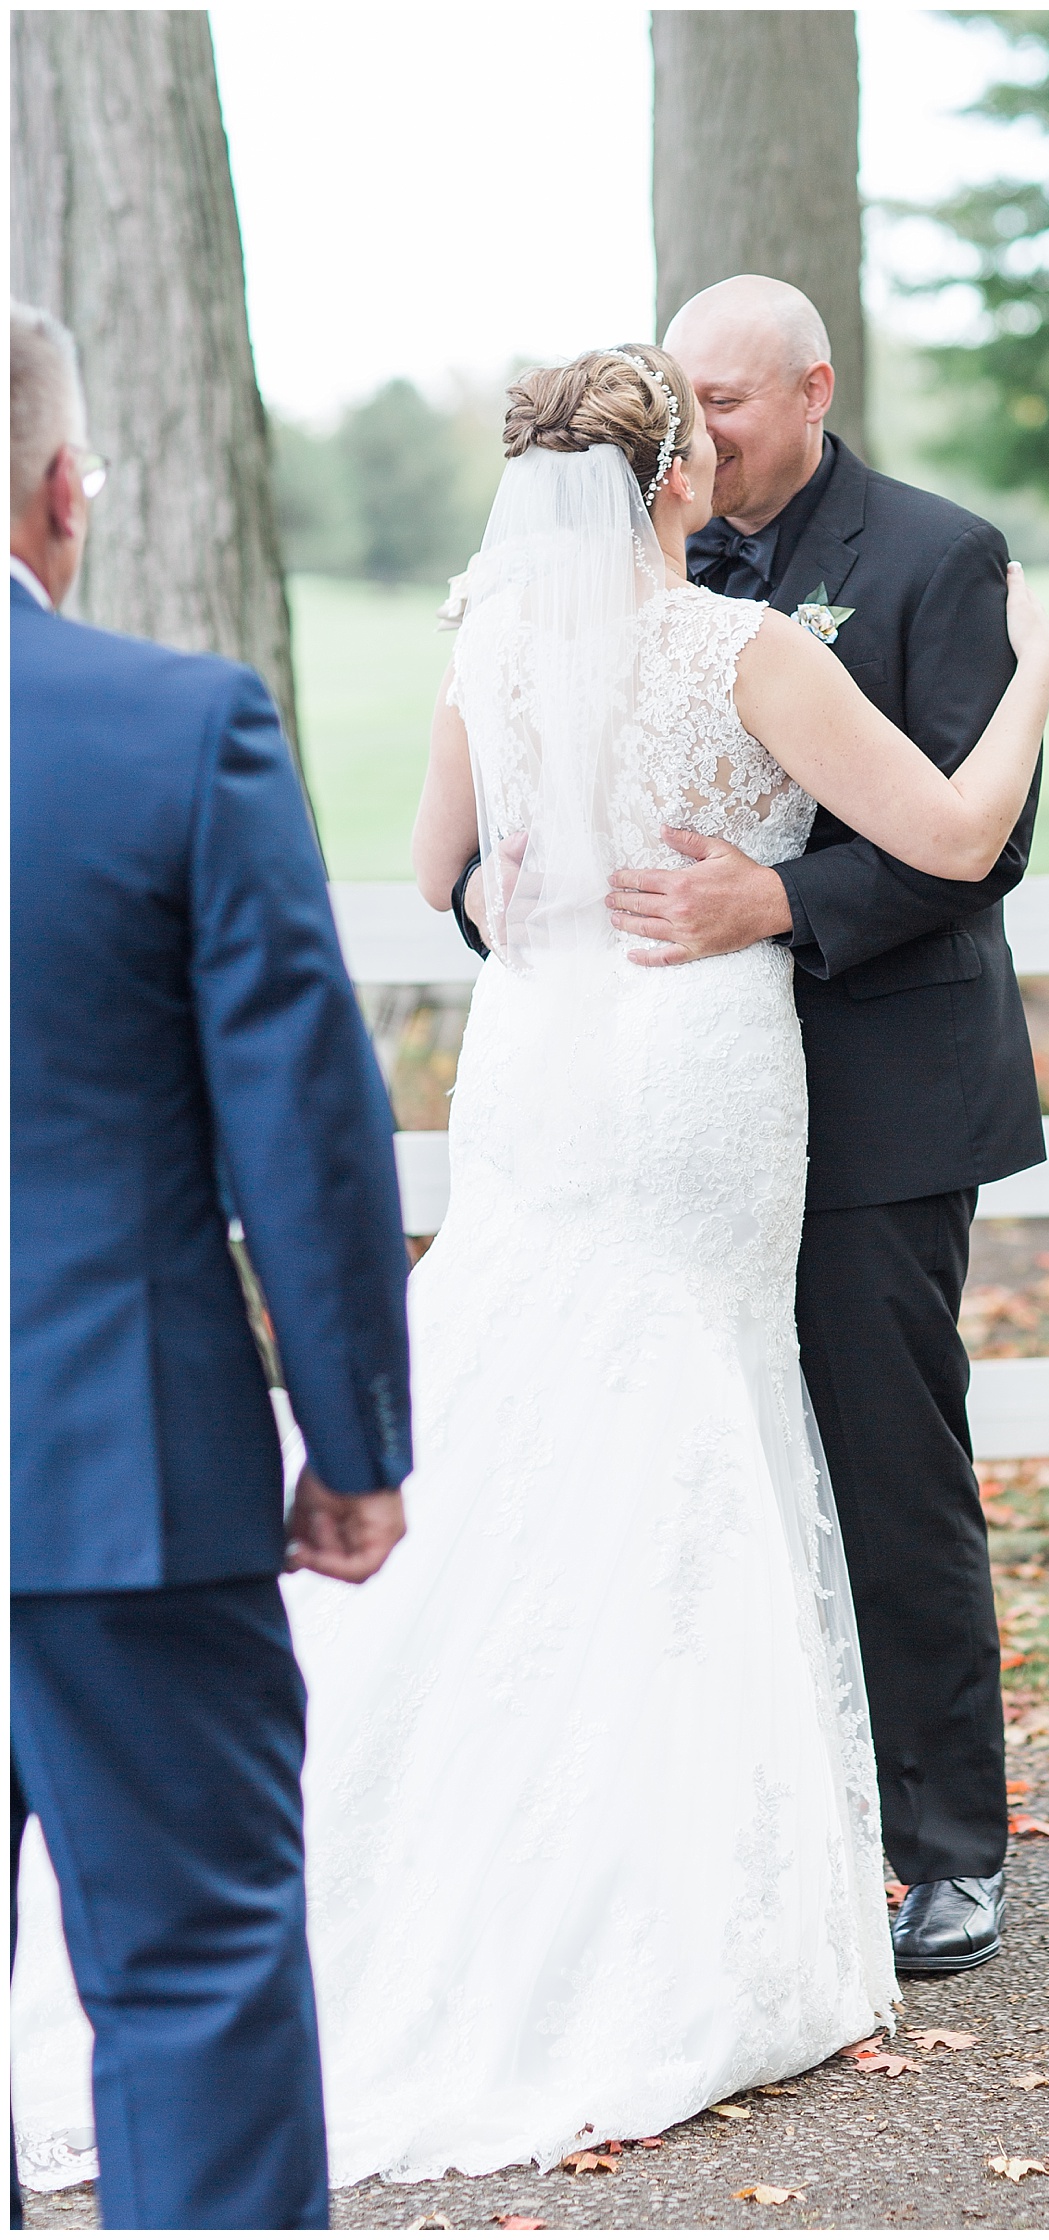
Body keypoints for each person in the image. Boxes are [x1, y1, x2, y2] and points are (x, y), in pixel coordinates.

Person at [16, 343, 1049, 2192]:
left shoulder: (487, 644)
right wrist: (1034, 672)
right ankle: (653, 1897)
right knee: (681, 1412)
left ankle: (436, 1822)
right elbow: (959, 833)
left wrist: (548, 901)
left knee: (533, 1390)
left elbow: (442, 872)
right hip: (687, 1070)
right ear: (672, 482)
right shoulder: (750, 652)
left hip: (543, 1069)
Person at [9, 299, 413, 2230]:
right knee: (188, 1978)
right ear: (61, 489)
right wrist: (355, 1439)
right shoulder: (175, 731)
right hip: (112, 1476)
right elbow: (301, 1122)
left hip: (112, 1482)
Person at [601, 276, 1046, 1975]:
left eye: (727, 402)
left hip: (880, 1092)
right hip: (690, 1103)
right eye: (680, 405)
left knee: (888, 1455)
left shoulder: (941, 556)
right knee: (706, 1446)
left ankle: (950, 1844)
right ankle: (776, 1806)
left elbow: (974, 849)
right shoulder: (645, 569)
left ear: (813, 386)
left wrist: (773, 905)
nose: (698, 434)